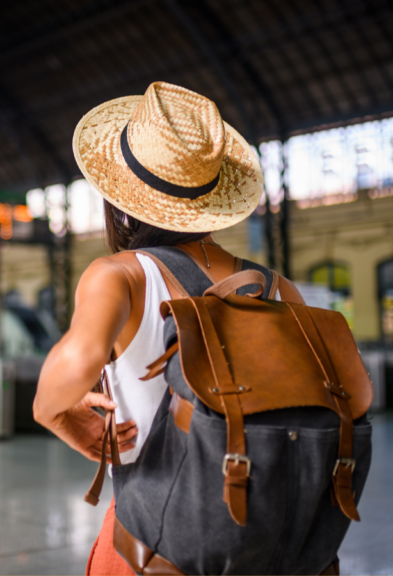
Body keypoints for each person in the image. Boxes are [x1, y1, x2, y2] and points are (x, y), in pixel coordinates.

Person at [32, 82, 306, 575]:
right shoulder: (281, 288)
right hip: (267, 542)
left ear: (119, 193)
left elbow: (71, 366)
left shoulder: (122, 275)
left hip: (151, 542)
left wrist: (59, 415)